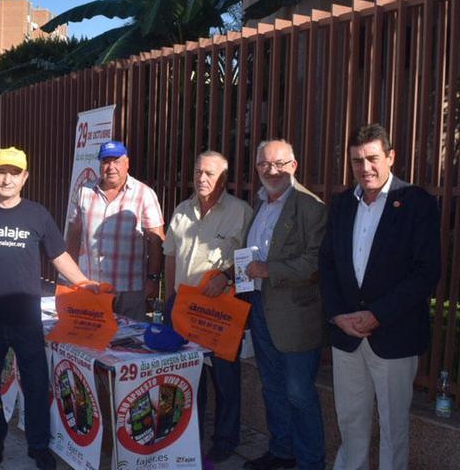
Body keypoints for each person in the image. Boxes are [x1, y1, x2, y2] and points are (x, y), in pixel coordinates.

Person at [0, 147, 96, 470]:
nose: (6, 178)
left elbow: (58, 256)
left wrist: (84, 283)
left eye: (14, 172)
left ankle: (39, 446)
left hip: (26, 319)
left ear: (25, 177)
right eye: (0, 171)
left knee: (36, 384)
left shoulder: (37, 214)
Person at [320, 124, 440, 470]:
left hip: (394, 335)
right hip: (347, 336)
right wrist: (337, 314)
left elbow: (426, 273)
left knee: (393, 429)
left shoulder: (417, 203)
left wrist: (378, 314)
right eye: (357, 160)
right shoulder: (342, 203)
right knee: (351, 423)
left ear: (390, 157)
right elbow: (326, 264)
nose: (365, 167)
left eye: (372, 158)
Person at [241, 139, 327, 470]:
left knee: (299, 394)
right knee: (272, 387)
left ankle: (310, 462)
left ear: (294, 165)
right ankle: (281, 451)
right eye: (264, 164)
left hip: (295, 317)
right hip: (261, 306)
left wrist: (268, 269)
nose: (272, 170)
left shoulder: (309, 206)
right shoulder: (261, 202)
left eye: (279, 164)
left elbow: (315, 263)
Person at [163, 151, 252, 467]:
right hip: (183, 310)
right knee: (188, 378)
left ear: (223, 179)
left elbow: (249, 263)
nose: (202, 178)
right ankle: (187, 437)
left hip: (220, 313)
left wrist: (227, 277)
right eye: (199, 171)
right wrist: (168, 303)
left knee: (225, 381)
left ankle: (226, 441)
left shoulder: (242, 212)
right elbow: (171, 257)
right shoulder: (182, 211)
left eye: (210, 174)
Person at [66, 140, 165, 320]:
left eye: (116, 161)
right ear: (100, 164)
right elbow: (73, 234)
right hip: (91, 286)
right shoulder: (84, 192)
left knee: (130, 344)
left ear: (127, 163)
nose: (111, 167)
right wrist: (70, 275)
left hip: (130, 289)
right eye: (106, 161)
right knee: (92, 342)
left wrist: (153, 279)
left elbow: (156, 240)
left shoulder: (144, 194)